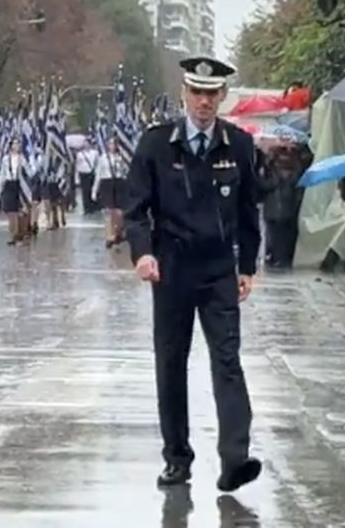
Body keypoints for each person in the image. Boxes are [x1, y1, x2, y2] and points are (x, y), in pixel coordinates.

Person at [125, 56, 262, 493]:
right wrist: (143, 254)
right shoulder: (156, 144)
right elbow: (134, 210)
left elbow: (248, 212)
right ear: (184, 93)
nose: (204, 102)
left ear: (222, 96)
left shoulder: (237, 145)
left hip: (219, 269)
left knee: (227, 361)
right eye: (196, 93)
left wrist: (247, 267)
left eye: (212, 94)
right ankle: (177, 457)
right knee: (171, 364)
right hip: (172, 268)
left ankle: (235, 459)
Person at [94, 138, 127, 249]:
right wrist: (95, 190)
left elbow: (126, 172)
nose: (112, 146)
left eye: (114, 144)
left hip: (119, 183)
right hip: (106, 183)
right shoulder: (103, 158)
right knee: (108, 212)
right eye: (110, 144)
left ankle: (118, 231)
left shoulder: (122, 157)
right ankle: (109, 236)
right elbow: (98, 174)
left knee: (119, 213)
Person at [0, 138, 28, 246]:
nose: (16, 146)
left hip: (19, 185)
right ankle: (13, 235)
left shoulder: (22, 159)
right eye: (14, 144)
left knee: (20, 212)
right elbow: (2, 174)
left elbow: (29, 171)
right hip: (8, 185)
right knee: (10, 213)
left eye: (18, 144)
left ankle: (19, 235)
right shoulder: (6, 159)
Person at [77, 140, 99, 215]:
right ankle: (86, 208)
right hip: (83, 173)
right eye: (85, 144)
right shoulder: (80, 154)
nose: (86, 145)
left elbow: (97, 162)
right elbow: (78, 164)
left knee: (92, 190)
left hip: (92, 173)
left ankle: (93, 207)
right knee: (85, 191)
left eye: (87, 144)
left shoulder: (95, 153)